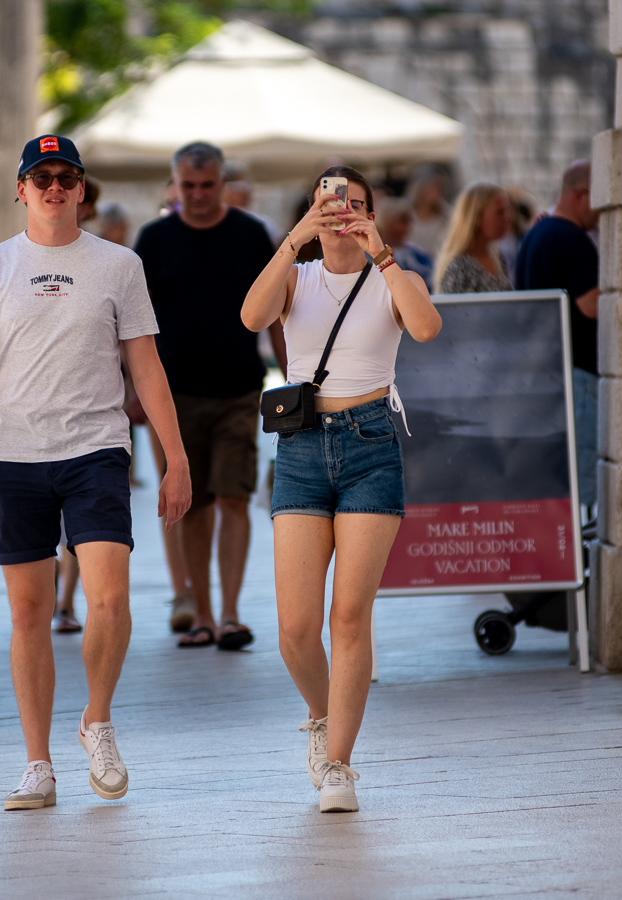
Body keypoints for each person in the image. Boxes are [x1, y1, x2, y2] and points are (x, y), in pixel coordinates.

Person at [0, 134, 191, 811]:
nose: (55, 187)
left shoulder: (119, 264)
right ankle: (37, 763)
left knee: (111, 601)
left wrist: (175, 456)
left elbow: (146, 365)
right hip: (13, 455)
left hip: (96, 449)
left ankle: (97, 720)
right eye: (42, 178)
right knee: (29, 612)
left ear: (83, 189)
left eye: (67, 176)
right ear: (22, 190)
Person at [241, 166, 441, 813]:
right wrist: (292, 240)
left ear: (370, 213)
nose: (340, 212)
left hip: (370, 443)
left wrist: (382, 253)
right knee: (295, 630)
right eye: (328, 202)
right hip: (302, 448)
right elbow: (252, 316)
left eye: (352, 203)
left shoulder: (392, 277)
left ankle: (339, 765)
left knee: (349, 616)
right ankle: (323, 715)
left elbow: (426, 327)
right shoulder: (296, 277)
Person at [134, 141, 281, 651]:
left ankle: (231, 615)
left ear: (223, 183)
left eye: (207, 185)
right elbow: (131, 324)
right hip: (171, 396)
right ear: (175, 186)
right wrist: (131, 388)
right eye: (188, 186)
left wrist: (294, 378)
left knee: (234, 498)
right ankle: (200, 612)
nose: (197, 195)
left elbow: (276, 310)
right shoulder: (154, 239)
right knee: (189, 504)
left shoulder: (250, 234)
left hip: (238, 389)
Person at [512, 159, 600, 512]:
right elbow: (592, 305)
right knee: (583, 475)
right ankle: (582, 541)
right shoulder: (571, 239)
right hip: (577, 371)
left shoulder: (537, 233)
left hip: (546, 370)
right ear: (580, 195)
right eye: (600, 196)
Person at [435, 182, 515, 294]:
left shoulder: (497, 257)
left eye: (508, 210)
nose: (508, 217)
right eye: (499, 212)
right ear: (477, 217)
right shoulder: (458, 268)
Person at [375, 198, 434, 282]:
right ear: (385, 221)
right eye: (401, 221)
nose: (405, 226)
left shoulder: (418, 255)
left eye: (408, 221)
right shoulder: (372, 252)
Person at [405, 163, 451, 255]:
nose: (438, 190)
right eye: (434, 185)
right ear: (421, 187)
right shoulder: (405, 212)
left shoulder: (447, 215)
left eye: (441, 186)